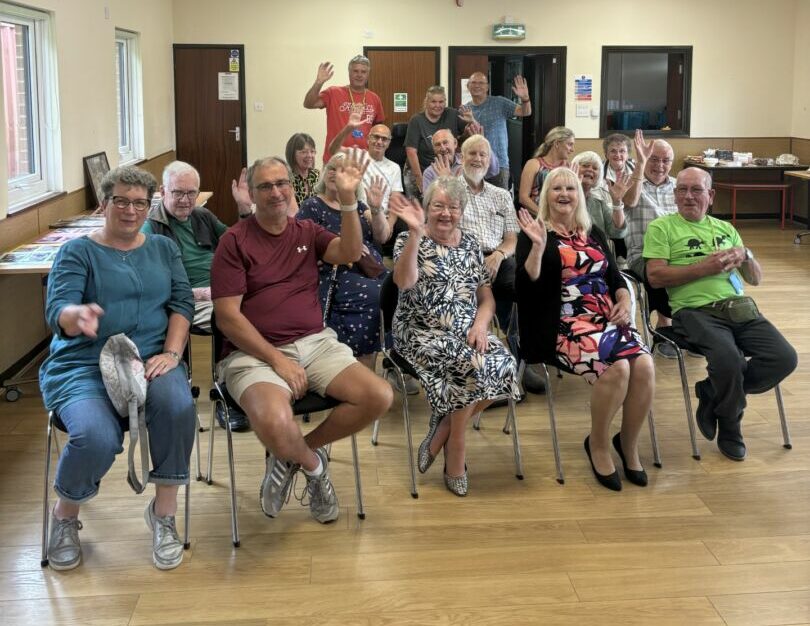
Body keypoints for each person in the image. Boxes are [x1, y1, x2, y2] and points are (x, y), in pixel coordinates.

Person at [211, 150, 393, 524]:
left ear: (291, 187)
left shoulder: (306, 232)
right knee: (277, 422)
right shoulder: (234, 241)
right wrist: (277, 360)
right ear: (252, 192)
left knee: (379, 395)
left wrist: (348, 201)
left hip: (315, 343)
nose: (275, 192)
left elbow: (350, 251)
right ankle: (314, 468)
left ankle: (293, 455)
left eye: (281, 184)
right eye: (265, 186)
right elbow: (227, 318)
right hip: (252, 353)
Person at [40, 166, 196, 570]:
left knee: (177, 408)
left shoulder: (163, 248)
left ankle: (164, 516)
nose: (131, 210)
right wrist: (78, 316)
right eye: (121, 201)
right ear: (103, 204)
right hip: (85, 365)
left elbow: (182, 304)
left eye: (140, 203)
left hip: (150, 359)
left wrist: (173, 354)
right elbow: (59, 310)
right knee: (93, 434)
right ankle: (65, 517)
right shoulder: (77, 252)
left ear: (150, 206)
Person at [515, 167, 655, 491]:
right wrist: (537, 249)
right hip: (562, 325)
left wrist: (623, 299)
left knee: (645, 366)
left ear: (579, 195)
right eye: (557, 189)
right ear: (546, 195)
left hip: (607, 319)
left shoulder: (592, 233)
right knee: (618, 369)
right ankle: (599, 443)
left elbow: (615, 279)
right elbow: (524, 290)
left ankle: (629, 444)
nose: (564, 194)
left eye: (571, 188)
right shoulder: (536, 232)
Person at [644, 167, 797, 461]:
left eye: (696, 190)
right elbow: (655, 276)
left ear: (711, 196)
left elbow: (755, 279)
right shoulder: (662, 228)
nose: (688, 196)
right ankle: (730, 424)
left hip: (738, 307)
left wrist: (747, 255)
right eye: (682, 190)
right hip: (693, 311)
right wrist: (706, 267)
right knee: (729, 360)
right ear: (675, 196)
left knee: (785, 358)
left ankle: (713, 392)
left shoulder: (726, 229)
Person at [389, 177, 520, 496]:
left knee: (504, 365)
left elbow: (486, 298)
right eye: (438, 206)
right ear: (427, 208)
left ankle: (444, 427)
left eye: (453, 207)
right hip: (419, 329)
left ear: (462, 210)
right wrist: (416, 235)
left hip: (465, 327)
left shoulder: (472, 243)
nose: (445, 213)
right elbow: (404, 282)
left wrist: (480, 325)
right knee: (474, 366)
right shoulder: (408, 238)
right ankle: (456, 454)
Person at [298, 152, 389, 368]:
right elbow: (299, 243)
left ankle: (378, 366)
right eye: (331, 168)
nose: (334, 173)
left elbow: (382, 236)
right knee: (373, 296)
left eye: (342, 169)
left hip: (371, 270)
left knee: (394, 292)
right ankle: (357, 371)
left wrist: (376, 210)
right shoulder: (312, 205)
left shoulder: (359, 206)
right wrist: (343, 244)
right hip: (337, 272)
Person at [142, 161, 250, 331]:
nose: (185, 200)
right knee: (245, 320)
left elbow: (239, 244)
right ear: (163, 192)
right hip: (193, 300)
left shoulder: (201, 215)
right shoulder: (151, 229)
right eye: (177, 192)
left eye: (191, 193)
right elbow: (151, 287)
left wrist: (244, 209)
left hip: (226, 288)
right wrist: (198, 293)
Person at [457, 135, 519, 333]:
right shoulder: (449, 190)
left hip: (498, 258)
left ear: (489, 159)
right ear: (461, 157)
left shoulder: (501, 195)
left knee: (519, 284)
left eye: (483, 154)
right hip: (462, 258)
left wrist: (498, 255)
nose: (478, 158)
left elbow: (511, 239)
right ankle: (471, 334)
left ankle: (513, 341)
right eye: (472, 153)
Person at [624, 132, 678, 357]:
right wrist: (640, 163)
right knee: (659, 270)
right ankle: (665, 326)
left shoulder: (679, 186)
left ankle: (695, 324)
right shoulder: (633, 181)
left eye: (666, 161)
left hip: (678, 251)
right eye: (654, 159)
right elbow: (629, 201)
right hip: (643, 253)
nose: (660, 165)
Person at [303, 56, 385, 162]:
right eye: (355, 71)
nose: (359, 75)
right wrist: (319, 82)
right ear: (349, 73)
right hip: (335, 160)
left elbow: (379, 130)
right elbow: (309, 104)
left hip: (363, 161)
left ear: (368, 75)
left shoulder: (374, 98)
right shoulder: (334, 92)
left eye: (363, 72)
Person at [462, 71, 532, 189]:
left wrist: (525, 99)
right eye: (473, 82)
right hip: (474, 163)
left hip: (499, 164)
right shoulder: (465, 109)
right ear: (468, 86)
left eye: (481, 83)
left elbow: (525, 112)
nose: (477, 85)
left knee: (499, 202)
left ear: (487, 87)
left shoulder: (499, 102)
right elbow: (464, 140)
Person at [403, 85, 469, 199]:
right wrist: (420, 179)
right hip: (420, 169)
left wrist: (471, 123)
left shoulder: (453, 114)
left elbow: (467, 137)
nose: (437, 105)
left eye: (441, 102)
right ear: (427, 102)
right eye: (433, 102)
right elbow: (411, 151)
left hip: (448, 169)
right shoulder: (417, 120)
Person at [421, 128, 499, 195]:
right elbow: (430, 203)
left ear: (455, 143)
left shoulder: (469, 160)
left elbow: (493, 171)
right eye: (438, 145)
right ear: (434, 149)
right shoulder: (429, 173)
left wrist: (483, 144)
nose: (443, 148)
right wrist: (446, 181)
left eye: (445, 142)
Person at [571, 151, 629, 240]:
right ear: (573, 168)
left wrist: (617, 202)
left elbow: (618, 232)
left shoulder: (599, 204)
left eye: (595, 168)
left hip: (597, 252)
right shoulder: (563, 200)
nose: (590, 169)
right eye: (585, 165)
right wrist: (572, 187)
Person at [519, 126, 575, 217]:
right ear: (557, 144)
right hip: (536, 217)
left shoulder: (569, 168)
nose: (572, 150)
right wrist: (545, 217)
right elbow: (523, 198)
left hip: (563, 218)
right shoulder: (533, 164)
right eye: (569, 144)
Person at [285, 133, 320, 205]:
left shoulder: (318, 175)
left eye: (312, 151)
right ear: (292, 154)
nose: (309, 155)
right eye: (304, 152)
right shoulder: (286, 179)